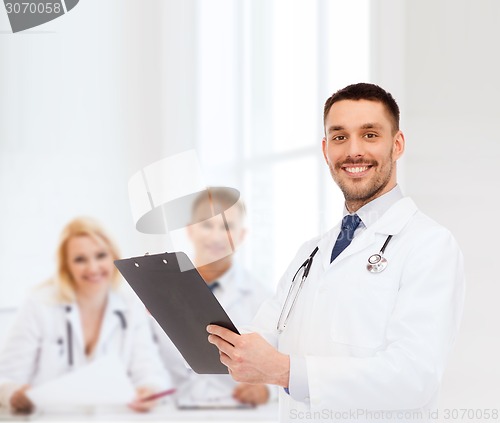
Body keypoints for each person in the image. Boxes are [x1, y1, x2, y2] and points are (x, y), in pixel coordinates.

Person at [207, 83, 465, 422]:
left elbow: (414, 376)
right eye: (340, 137)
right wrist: (184, 311)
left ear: (397, 145)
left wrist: (287, 372)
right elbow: (262, 337)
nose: (353, 151)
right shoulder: (311, 251)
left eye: (370, 135)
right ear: (326, 149)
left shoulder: (429, 244)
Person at [0, 217, 173, 413]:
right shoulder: (40, 306)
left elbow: (150, 371)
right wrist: (14, 394)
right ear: (66, 266)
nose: (93, 268)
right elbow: (5, 377)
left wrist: (149, 390)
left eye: (100, 255)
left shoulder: (130, 306)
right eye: (80, 259)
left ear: (113, 256)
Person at [153, 187, 273, 407]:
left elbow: (280, 365)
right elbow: (144, 359)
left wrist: (266, 391)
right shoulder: (160, 290)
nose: (216, 236)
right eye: (207, 225)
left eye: (226, 227)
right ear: (190, 230)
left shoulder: (263, 298)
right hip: (172, 412)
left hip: (235, 413)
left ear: (242, 235)